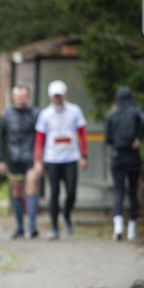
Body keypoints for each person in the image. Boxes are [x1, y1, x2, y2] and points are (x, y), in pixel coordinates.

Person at [33, 80, 88, 240]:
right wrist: (38, 160)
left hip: (70, 157)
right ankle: (55, 227)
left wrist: (84, 156)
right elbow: (39, 138)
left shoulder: (75, 111)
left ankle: (67, 214)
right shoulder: (45, 114)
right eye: (55, 96)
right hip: (52, 158)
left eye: (60, 95)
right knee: (54, 192)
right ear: (51, 96)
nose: (58, 98)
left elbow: (82, 134)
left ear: (65, 95)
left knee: (71, 192)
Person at [104, 86, 144, 241]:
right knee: (132, 190)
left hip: (117, 155)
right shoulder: (136, 111)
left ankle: (117, 227)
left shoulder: (112, 114)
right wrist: (138, 137)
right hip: (132, 154)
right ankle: (132, 228)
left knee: (119, 190)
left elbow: (108, 138)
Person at [0, 84, 41, 239]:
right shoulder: (7, 115)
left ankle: (32, 225)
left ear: (28, 97)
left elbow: (41, 138)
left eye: (23, 96)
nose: (21, 99)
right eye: (18, 96)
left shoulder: (36, 113)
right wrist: (0, 160)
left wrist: (39, 160)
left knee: (32, 187)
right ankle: (20, 227)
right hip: (14, 159)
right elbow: (0, 139)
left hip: (31, 158)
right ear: (13, 97)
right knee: (16, 191)